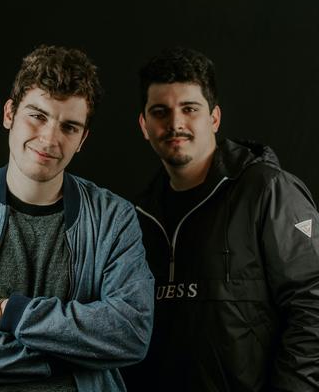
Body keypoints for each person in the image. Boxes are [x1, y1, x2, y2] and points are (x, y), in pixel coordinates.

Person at [0, 44, 154, 392]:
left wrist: (8, 312)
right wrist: (64, 358)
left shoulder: (114, 218)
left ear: (82, 139)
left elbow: (131, 332)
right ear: (9, 113)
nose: (50, 139)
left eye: (69, 127)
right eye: (38, 116)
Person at [122, 46, 319, 391]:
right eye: (160, 111)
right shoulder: (136, 216)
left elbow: (313, 304)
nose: (175, 123)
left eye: (189, 109)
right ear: (144, 125)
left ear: (214, 118)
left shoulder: (267, 191)